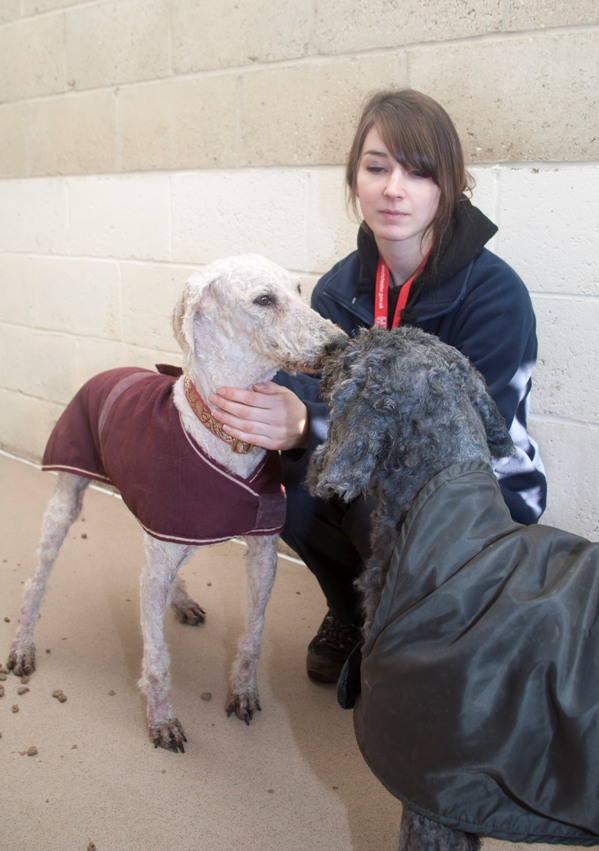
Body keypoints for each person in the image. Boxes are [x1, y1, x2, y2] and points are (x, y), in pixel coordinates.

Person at [208, 89, 547, 684]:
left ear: (450, 185)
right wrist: (278, 422)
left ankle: (410, 630)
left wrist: (309, 425)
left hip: (482, 485)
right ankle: (352, 612)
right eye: (377, 167)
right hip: (374, 469)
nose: (394, 188)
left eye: (419, 172)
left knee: (373, 502)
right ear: (354, 180)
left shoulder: (496, 294)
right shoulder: (337, 290)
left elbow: (461, 442)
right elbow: (315, 400)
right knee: (287, 486)